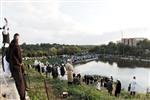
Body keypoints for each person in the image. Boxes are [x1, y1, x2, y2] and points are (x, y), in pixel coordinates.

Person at [9, 33, 25, 100]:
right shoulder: (17, 46)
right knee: (21, 84)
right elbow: (20, 58)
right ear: (17, 39)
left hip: (12, 68)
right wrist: (21, 63)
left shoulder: (10, 46)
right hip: (17, 67)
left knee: (17, 83)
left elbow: (8, 57)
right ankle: (23, 98)